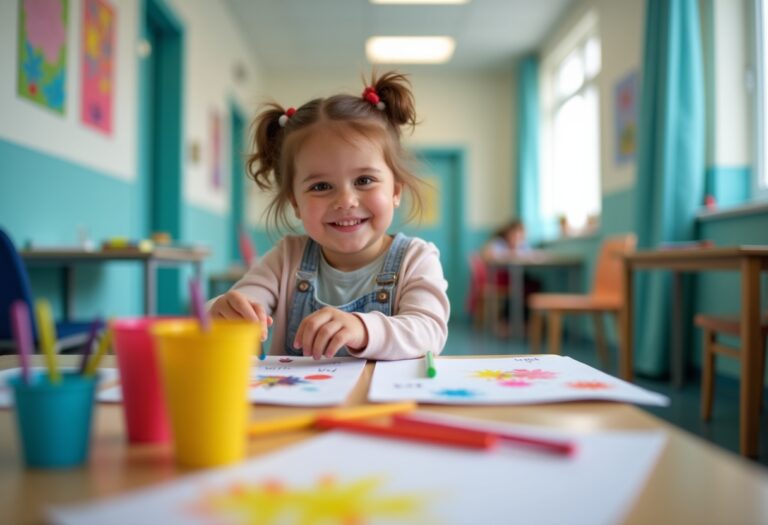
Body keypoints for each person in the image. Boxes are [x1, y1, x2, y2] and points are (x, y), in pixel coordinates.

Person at [208, 71, 450, 360]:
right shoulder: (286, 259)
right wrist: (222, 310)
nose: (346, 201)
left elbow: (429, 332)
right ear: (295, 202)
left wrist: (362, 328)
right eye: (321, 186)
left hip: (386, 404)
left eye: (364, 181)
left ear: (396, 191)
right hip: (296, 405)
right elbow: (238, 304)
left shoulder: (417, 258)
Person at [480, 219, 539, 337]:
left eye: (520, 234)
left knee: (533, 284)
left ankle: (524, 322)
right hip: (502, 278)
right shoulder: (499, 243)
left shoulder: (523, 246)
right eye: (514, 233)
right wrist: (510, 252)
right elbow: (486, 255)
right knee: (517, 287)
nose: (517, 237)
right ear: (508, 233)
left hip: (518, 277)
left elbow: (531, 255)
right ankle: (506, 321)